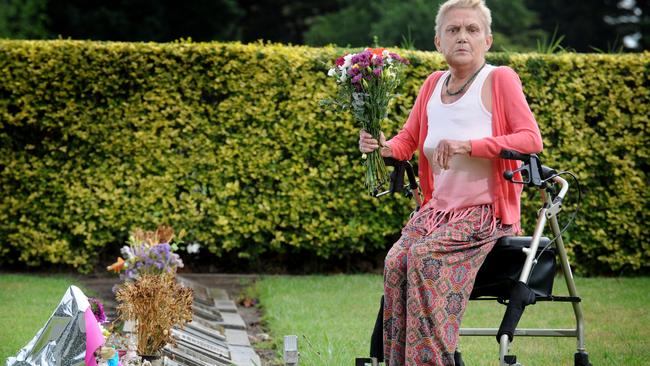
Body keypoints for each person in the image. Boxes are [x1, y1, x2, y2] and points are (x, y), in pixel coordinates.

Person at [358, 0, 543, 364]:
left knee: (424, 258)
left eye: (472, 30)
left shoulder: (499, 79)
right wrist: (381, 146)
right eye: (453, 30)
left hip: (485, 215)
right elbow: (406, 142)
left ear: (487, 40)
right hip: (438, 213)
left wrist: (468, 146)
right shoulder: (432, 85)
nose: (463, 37)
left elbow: (530, 140)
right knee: (396, 261)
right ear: (438, 42)